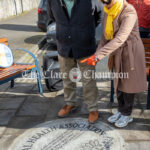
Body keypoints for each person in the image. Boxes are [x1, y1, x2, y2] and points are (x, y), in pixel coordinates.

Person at [81, 0, 147, 127]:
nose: (106, 6)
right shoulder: (108, 11)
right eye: (104, 3)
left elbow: (120, 38)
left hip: (131, 52)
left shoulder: (129, 11)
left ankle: (127, 115)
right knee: (118, 82)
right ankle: (121, 110)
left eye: (108, 3)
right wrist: (97, 54)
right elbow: (105, 37)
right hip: (117, 51)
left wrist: (98, 56)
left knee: (128, 84)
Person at [46, 0, 103, 123]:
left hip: (85, 47)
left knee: (88, 81)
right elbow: (52, 17)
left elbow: (100, 16)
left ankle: (93, 108)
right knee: (67, 78)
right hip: (64, 46)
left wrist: (85, 31)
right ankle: (70, 103)